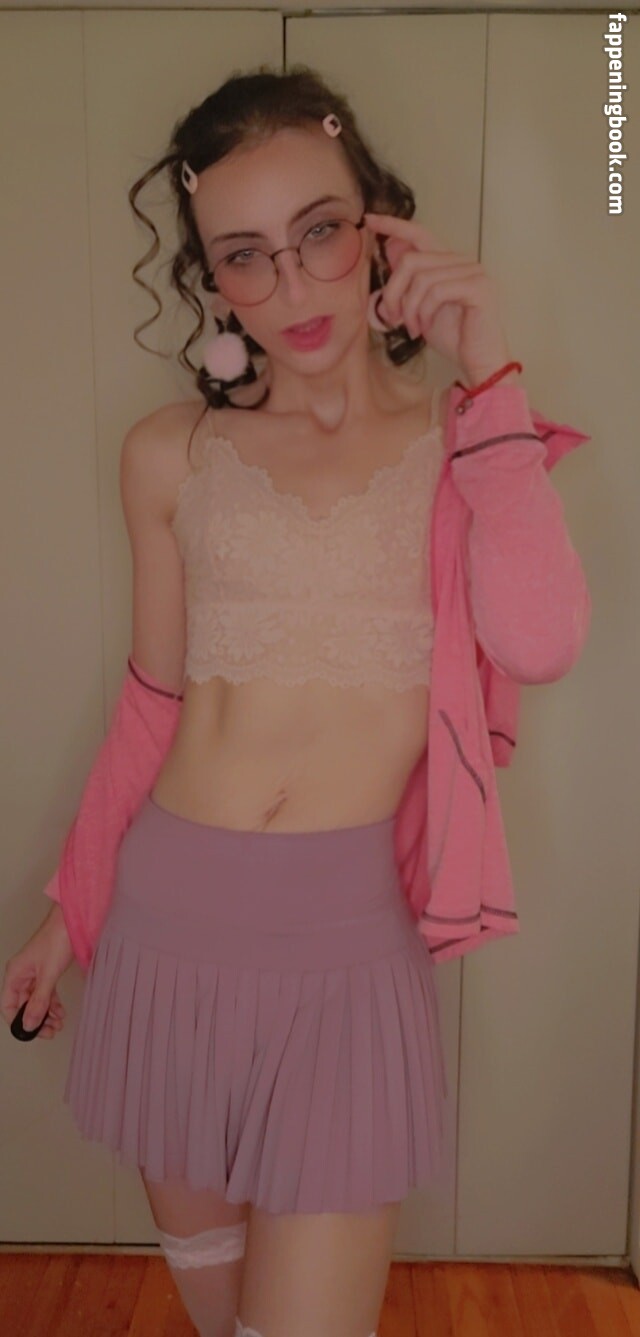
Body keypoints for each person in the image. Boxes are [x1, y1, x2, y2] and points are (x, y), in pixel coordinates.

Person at [1, 64, 591, 1337]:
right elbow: (153, 705)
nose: (290, 287)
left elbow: (541, 642)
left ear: (378, 223)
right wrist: (67, 917)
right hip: (164, 933)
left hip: (346, 953)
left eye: (319, 232)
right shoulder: (172, 454)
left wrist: (490, 362)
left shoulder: (467, 440)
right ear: (213, 281)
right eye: (244, 257)